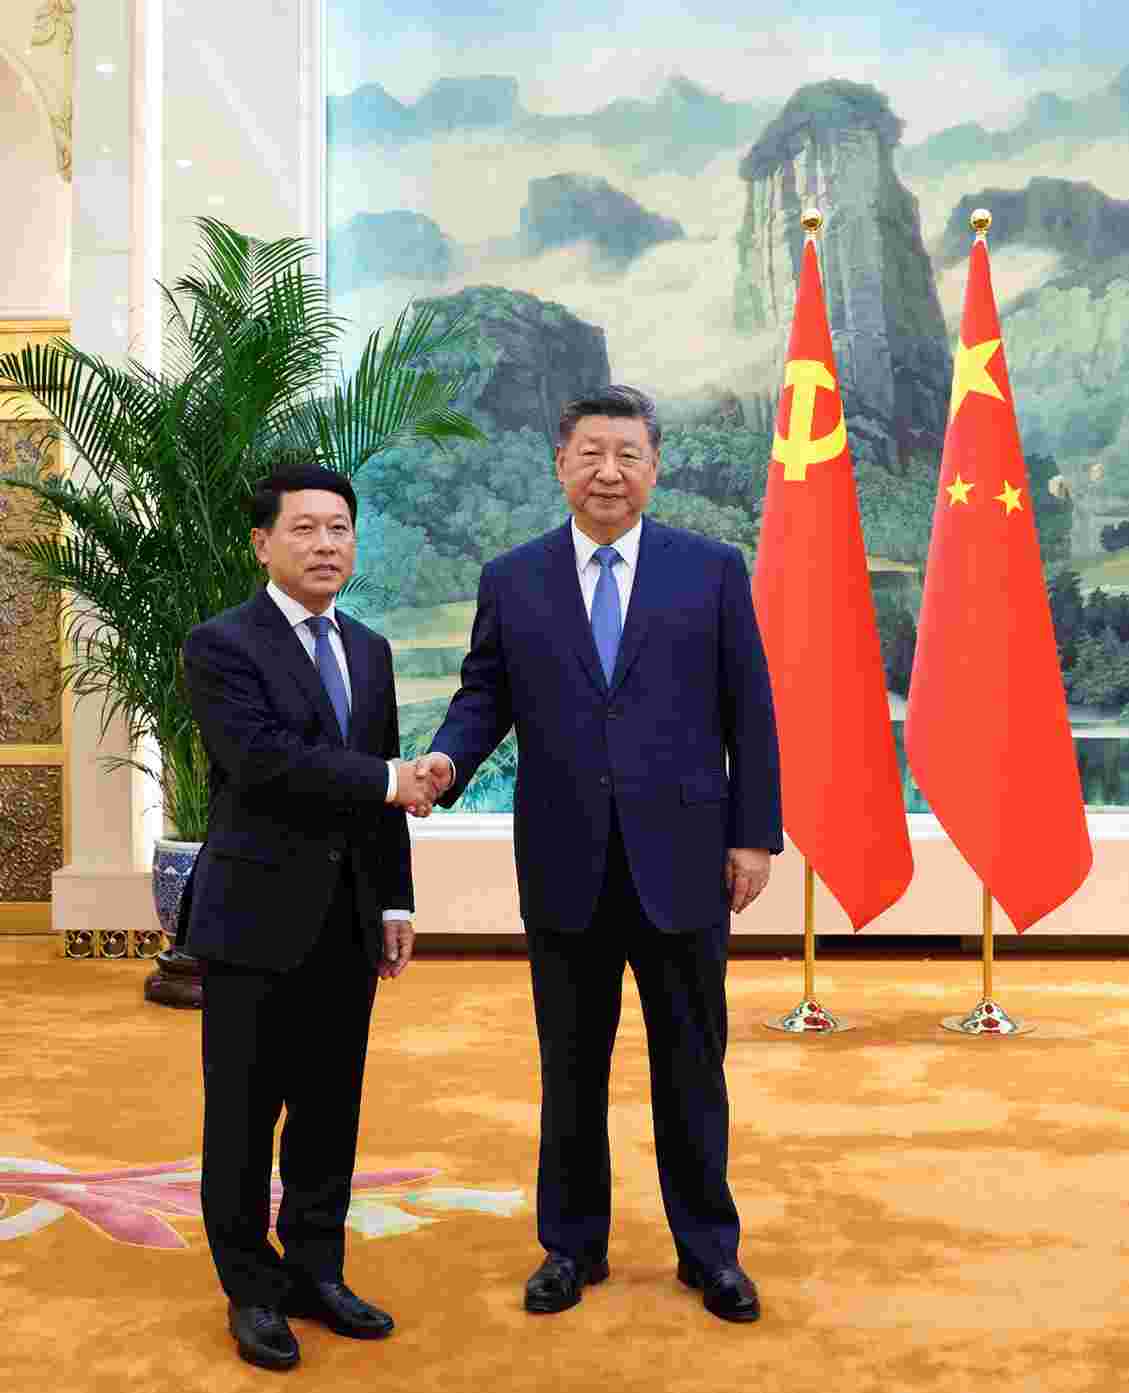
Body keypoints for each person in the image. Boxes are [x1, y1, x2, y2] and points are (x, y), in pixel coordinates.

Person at [415, 386, 783, 1323]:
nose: (607, 472)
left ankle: (710, 1251)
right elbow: (483, 695)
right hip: (565, 860)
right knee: (570, 1068)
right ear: (560, 464)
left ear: (654, 467)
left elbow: (749, 709)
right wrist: (447, 759)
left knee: (691, 1066)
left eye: (626, 454)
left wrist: (752, 835)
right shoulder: (514, 577)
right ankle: (570, 1247)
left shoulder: (710, 569)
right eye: (590, 453)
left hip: (685, 861)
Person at [174, 466, 437, 1371]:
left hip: (347, 919)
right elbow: (261, 761)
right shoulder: (221, 644)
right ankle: (251, 1289)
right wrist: (387, 779)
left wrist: (394, 897)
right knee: (244, 1116)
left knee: (330, 1109)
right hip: (253, 918)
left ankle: (317, 1271)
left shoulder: (369, 648)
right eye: (305, 528)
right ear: (262, 544)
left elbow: (382, 794)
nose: (326, 544)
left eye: (340, 529)